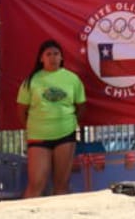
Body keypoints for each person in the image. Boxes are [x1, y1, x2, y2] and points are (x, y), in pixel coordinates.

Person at [17, 39, 86, 198]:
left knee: (61, 185)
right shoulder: (31, 81)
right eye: (48, 54)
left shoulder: (72, 79)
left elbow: (81, 106)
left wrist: (71, 124)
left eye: (56, 54)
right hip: (38, 137)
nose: (53, 57)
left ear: (61, 58)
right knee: (36, 185)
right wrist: (32, 128)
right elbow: (21, 110)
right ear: (41, 58)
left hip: (65, 136)